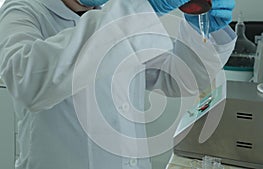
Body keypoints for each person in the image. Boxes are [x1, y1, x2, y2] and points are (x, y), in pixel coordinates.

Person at [0, 0, 236, 168]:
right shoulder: (23, 9)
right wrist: (138, 11)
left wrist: (205, 33)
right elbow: (28, 81)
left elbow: (176, 79)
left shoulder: (115, 12)